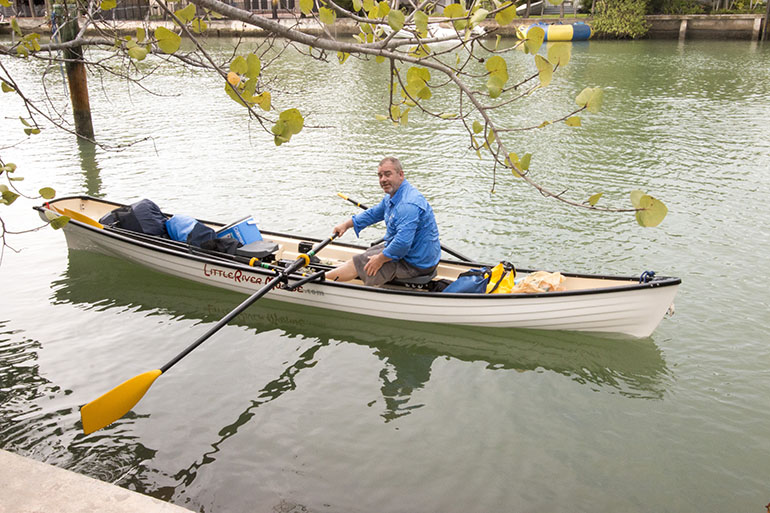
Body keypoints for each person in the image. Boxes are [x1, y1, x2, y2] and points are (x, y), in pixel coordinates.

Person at [325, 157, 441, 287]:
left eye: (387, 174)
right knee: (366, 255)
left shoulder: (407, 204)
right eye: (380, 176)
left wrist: (380, 259)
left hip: (415, 263)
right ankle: (335, 273)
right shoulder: (394, 195)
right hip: (414, 254)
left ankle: (319, 280)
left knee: (362, 262)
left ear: (401, 174)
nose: (383, 180)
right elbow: (373, 213)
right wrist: (346, 225)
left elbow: (402, 243)